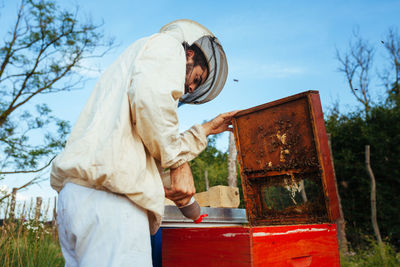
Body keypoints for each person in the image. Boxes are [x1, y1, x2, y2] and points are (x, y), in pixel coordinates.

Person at [50, 19, 236, 266]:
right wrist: (179, 162)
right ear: (188, 53)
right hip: (112, 203)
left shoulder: (131, 71)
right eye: (197, 78)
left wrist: (204, 131)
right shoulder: (168, 47)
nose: (191, 88)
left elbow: (152, 137)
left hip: (79, 198)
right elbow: (153, 105)